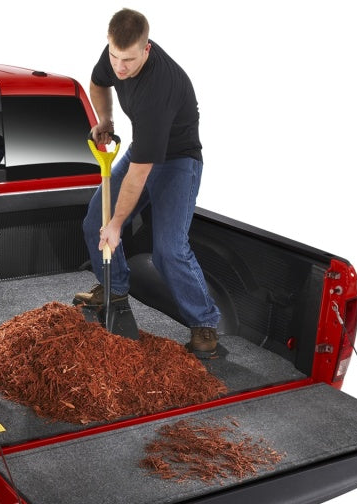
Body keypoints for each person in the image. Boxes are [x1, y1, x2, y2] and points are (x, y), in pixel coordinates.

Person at [74, 8, 221, 357]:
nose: (119, 67)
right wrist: (106, 119)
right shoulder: (115, 54)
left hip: (177, 160)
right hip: (143, 150)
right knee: (94, 221)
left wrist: (118, 223)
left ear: (146, 49)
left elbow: (141, 172)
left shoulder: (159, 89)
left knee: (169, 249)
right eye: (114, 56)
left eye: (128, 60)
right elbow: (97, 82)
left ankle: (204, 323)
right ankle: (116, 289)